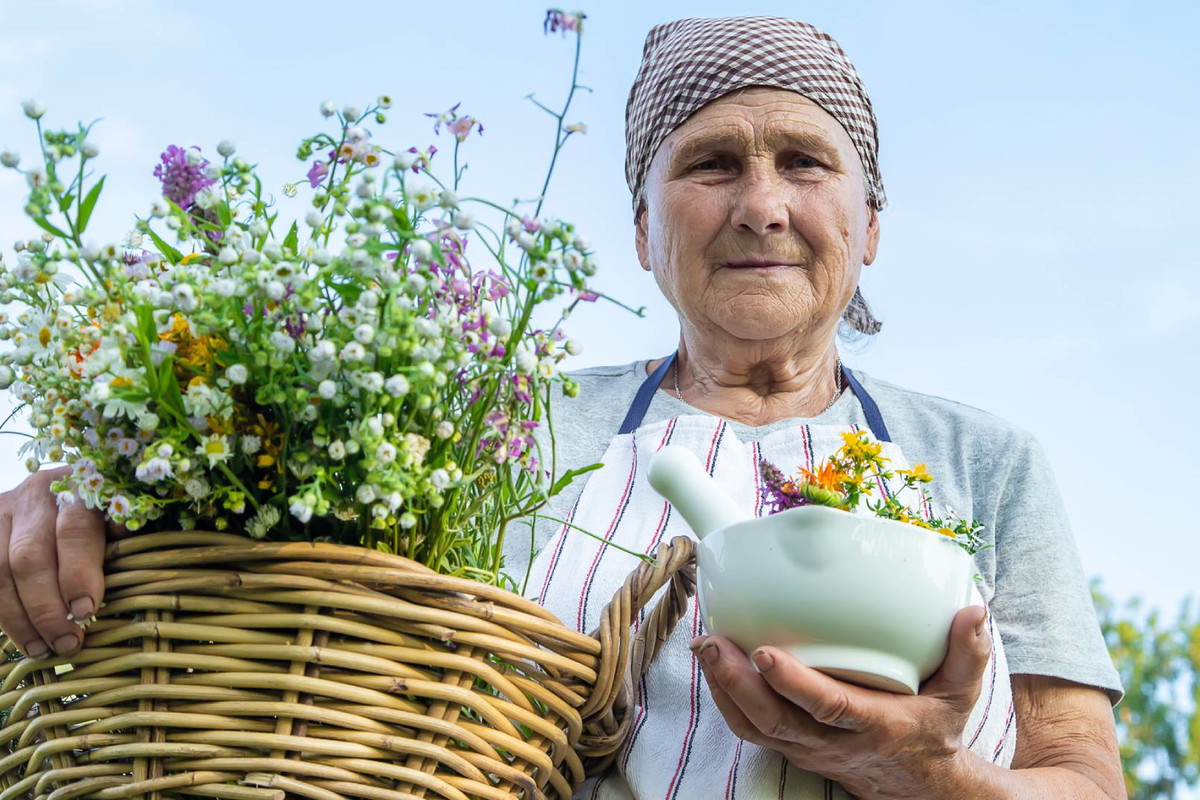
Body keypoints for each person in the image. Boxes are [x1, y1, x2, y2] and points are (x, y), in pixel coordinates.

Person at [0, 15, 1125, 800]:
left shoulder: (985, 462)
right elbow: (291, 582)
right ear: (642, 231)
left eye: (804, 162)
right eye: (711, 164)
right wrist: (100, 492)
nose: (762, 206)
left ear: (870, 224)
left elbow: (1082, 777)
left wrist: (928, 775)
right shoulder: (505, 429)